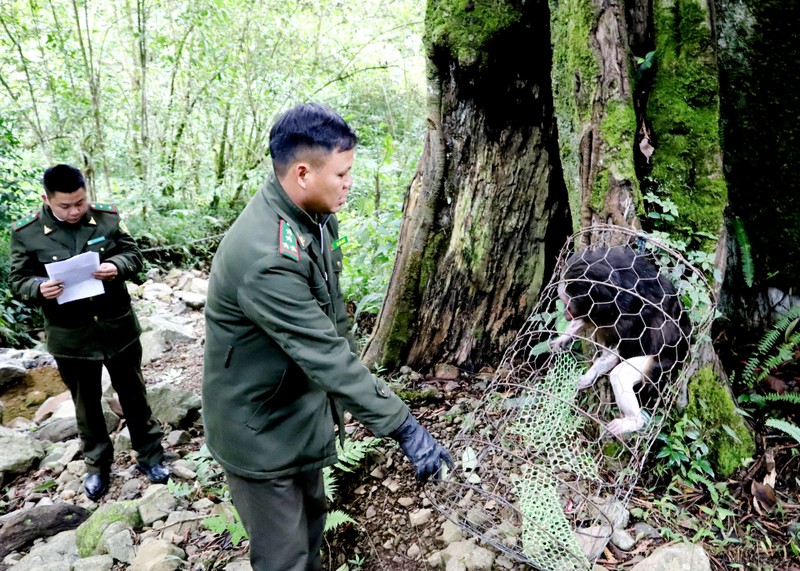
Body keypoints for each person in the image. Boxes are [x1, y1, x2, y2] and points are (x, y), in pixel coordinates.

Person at [202, 102, 453, 571]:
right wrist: (404, 426)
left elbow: (332, 318)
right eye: (341, 174)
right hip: (261, 430)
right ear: (302, 173)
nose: (348, 183)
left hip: (298, 413)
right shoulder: (266, 256)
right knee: (285, 558)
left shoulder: (315, 221)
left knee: (311, 533)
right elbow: (325, 354)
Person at [9, 164, 169, 500]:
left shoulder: (106, 219)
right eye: (65, 206)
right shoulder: (27, 233)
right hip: (71, 336)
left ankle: (151, 456)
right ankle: (97, 467)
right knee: (87, 405)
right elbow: (17, 280)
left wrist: (117, 266)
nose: (74, 211)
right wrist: (39, 288)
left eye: (80, 203)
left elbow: (134, 255)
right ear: (47, 199)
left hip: (117, 326)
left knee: (134, 395)